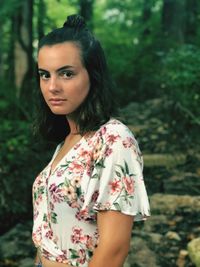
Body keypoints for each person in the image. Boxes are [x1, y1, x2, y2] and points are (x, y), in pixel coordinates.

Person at [32, 14, 150, 267]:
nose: (52, 87)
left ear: (93, 75)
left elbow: (114, 249)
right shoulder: (67, 141)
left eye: (66, 74)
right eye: (44, 75)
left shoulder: (113, 139)